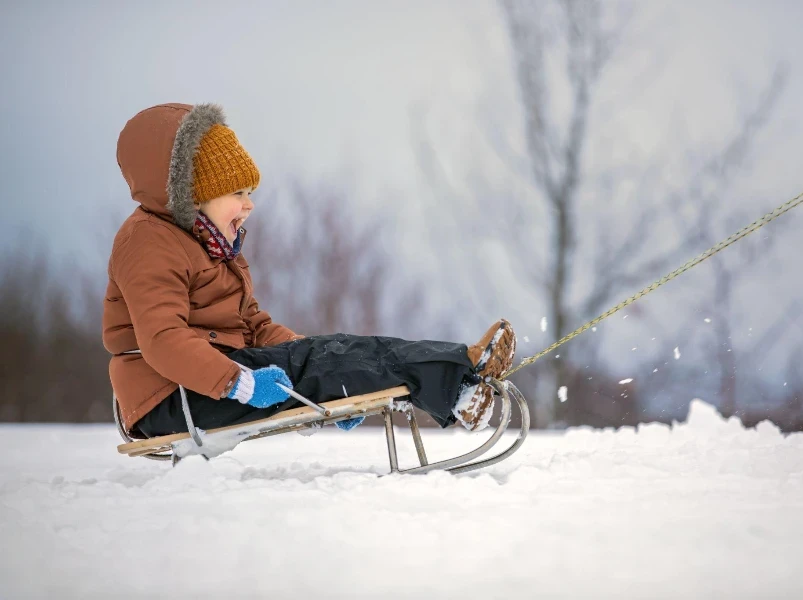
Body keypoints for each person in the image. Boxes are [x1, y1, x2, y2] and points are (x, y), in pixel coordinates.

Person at [102, 103, 516, 440]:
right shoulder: (148, 242)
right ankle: (460, 375)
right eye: (237, 193)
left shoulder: (214, 245)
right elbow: (162, 340)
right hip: (169, 397)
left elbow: (255, 327)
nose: (249, 206)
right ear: (193, 195)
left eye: (251, 194)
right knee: (319, 359)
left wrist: (338, 385)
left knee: (330, 350)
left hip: (208, 381)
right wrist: (240, 383)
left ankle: (462, 382)